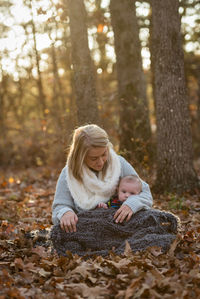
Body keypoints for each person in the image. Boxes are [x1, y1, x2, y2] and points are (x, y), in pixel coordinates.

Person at [52, 124, 153, 233]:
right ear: (80, 157)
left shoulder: (119, 164)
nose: (100, 162)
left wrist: (131, 204)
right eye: (94, 158)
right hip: (88, 230)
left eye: (104, 154)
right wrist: (66, 213)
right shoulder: (69, 174)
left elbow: (145, 192)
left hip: (121, 226)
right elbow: (59, 206)